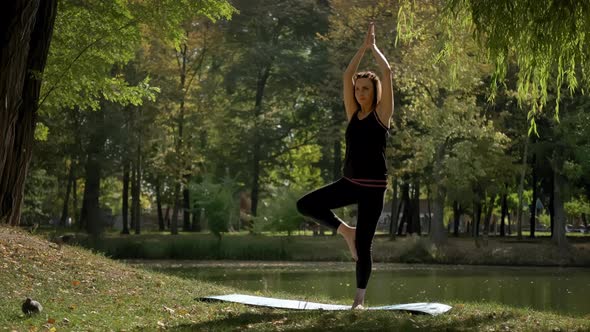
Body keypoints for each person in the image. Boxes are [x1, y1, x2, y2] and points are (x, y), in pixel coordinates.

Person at [296, 22, 393, 309]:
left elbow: (387, 74)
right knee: (306, 205)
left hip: (374, 189)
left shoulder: (382, 115)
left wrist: (374, 49)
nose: (360, 92)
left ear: (374, 92)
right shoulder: (352, 114)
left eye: (366, 89)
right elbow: (347, 74)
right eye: (358, 89)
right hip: (350, 182)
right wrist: (361, 48)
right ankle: (344, 230)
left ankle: (359, 301)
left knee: (364, 247)